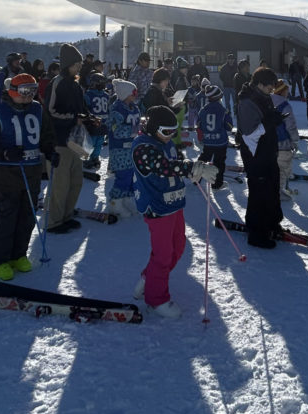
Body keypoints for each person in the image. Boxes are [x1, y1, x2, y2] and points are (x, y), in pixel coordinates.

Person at [131, 105, 217, 318]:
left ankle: (150, 278)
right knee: (163, 255)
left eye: (173, 131)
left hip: (174, 203)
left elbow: (177, 162)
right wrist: (191, 168)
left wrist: (193, 170)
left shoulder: (166, 142)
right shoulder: (142, 147)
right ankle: (156, 299)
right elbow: (163, 166)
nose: (170, 135)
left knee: (178, 247)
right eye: (166, 131)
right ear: (153, 128)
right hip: (157, 208)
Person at [0, 73, 55, 279]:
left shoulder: (37, 109)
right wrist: (4, 153)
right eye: (24, 91)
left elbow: (46, 134)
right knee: (7, 217)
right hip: (6, 174)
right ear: (12, 91)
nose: (29, 96)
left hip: (31, 171)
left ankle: (18, 254)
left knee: (27, 216)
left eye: (33, 91)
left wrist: (50, 151)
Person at [46, 44, 95, 233]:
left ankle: (66, 216)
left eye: (80, 63)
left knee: (75, 182)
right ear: (68, 64)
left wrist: (90, 118)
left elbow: (81, 109)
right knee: (60, 184)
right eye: (77, 64)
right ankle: (54, 221)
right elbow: (50, 111)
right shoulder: (57, 83)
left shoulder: (76, 84)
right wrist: (73, 119)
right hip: (59, 141)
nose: (80, 67)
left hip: (75, 141)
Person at [235, 67, 284, 248]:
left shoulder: (264, 96)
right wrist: (270, 122)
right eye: (269, 87)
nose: (272, 90)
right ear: (259, 84)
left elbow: (266, 119)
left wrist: (274, 117)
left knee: (272, 187)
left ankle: (272, 223)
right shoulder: (247, 101)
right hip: (255, 154)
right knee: (259, 192)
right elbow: (249, 133)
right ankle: (256, 232)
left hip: (267, 151)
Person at [105, 79, 141, 217]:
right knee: (123, 176)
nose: (135, 95)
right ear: (125, 94)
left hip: (132, 148)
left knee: (132, 176)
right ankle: (115, 202)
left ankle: (126, 199)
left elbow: (137, 123)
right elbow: (115, 130)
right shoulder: (117, 110)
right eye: (133, 93)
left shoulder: (134, 107)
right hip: (120, 150)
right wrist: (133, 130)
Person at [197, 83, 234, 189]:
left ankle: (196, 178)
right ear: (219, 97)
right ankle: (217, 184)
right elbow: (229, 127)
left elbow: (199, 124)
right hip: (220, 142)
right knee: (219, 163)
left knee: (203, 159)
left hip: (208, 140)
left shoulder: (203, 110)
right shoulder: (223, 110)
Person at [272, 80, 300, 199]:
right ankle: (278, 192)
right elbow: (290, 125)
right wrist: (295, 140)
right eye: (287, 90)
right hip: (283, 142)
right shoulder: (284, 105)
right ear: (282, 91)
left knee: (271, 167)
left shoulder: (266, 102)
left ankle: (271, 189)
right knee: (283, 168)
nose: (288, 93)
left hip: (268, 141)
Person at [83, 71, 110, 170]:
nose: (103, 85)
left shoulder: (105, 95)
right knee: (93, 142)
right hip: (93, 123)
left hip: (101, 123)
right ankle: (89, 158)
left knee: (99, 142)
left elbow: (108, 109)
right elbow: (86, 108)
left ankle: (94, 157)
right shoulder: (89, 95)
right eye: (101, 83)